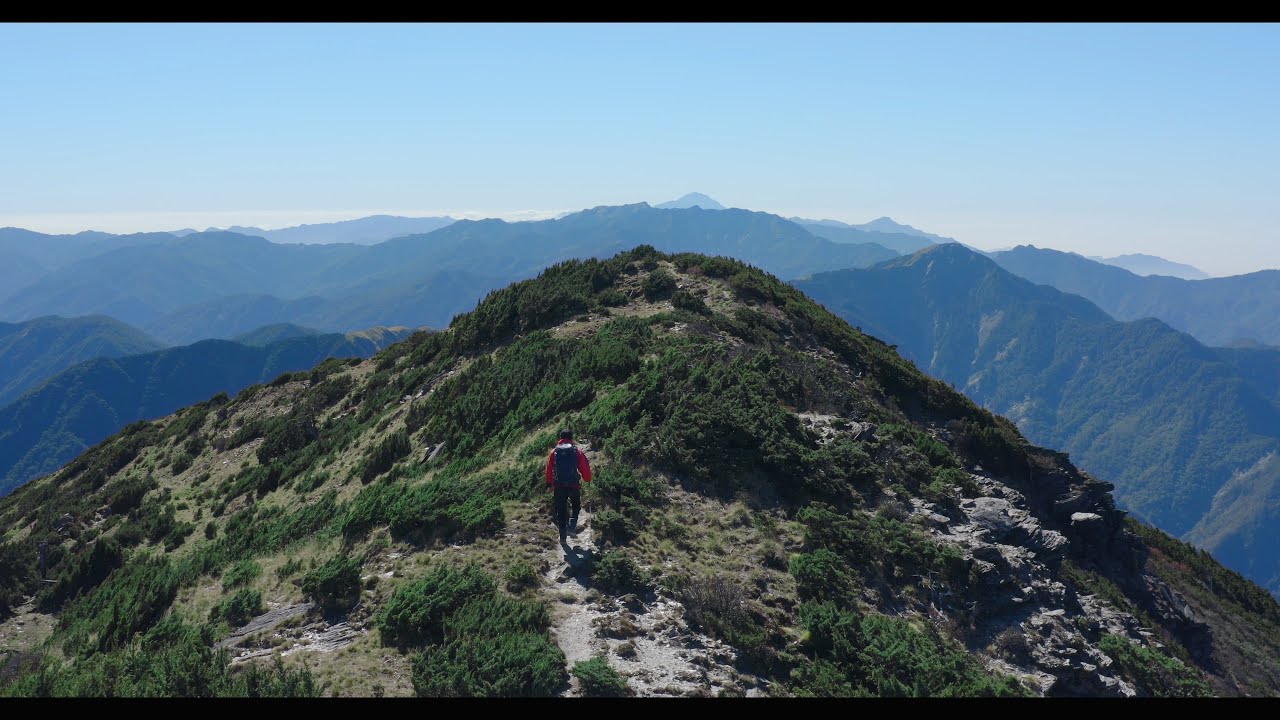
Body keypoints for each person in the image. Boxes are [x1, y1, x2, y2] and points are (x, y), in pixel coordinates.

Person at [546, 429, 592, 543]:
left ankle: (562, 537)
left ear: (560, 438)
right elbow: (584, 468)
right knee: (576, 506)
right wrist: (587, 478)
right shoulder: (577, 451)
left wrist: (550, 484)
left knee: (561, 510)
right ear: (571, 438)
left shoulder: (554, 452)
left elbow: (548, 470)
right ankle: (571, 526)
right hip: (574, 485)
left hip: (559, 486)